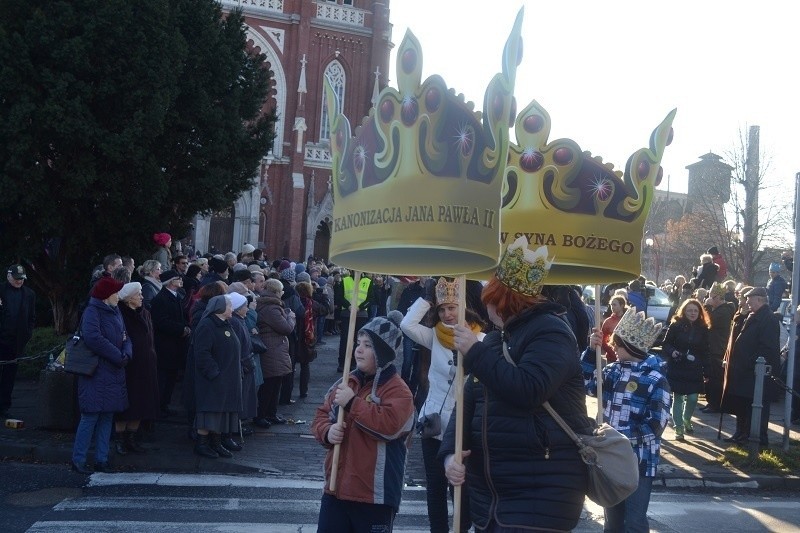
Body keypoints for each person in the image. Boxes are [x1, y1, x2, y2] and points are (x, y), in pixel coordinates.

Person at [441, 237, 594, 531]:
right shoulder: (499, 338)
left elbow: (529, 389)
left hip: (539, 495)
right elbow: (470, 399)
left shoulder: (552, 332)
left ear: (502, 302)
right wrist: (450, 453)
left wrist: (475, 352)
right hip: (494, 498)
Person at [311, 311, 415, 532]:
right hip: (336, 490)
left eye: (368, 345)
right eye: (359, 343)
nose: (359, 349)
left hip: (374, 495)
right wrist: (327, 432)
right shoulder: (348, 381)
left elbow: (389, 426)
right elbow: (322, 414)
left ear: (382, 353)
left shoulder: (399, 390)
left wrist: (352, 404)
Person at [400, 277, 485, 533]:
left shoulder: (480, 339)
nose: (447, 314)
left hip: (464, 425)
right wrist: (427, 299)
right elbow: (407, 324)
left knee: (462, 487)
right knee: (435, 485)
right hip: (435, 422)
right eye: (442, 309)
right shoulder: (434, 337)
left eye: (452, 308)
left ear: (463, 308)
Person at [582, 308, 671, 533]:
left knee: (634, 521)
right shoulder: (612, 372)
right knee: (612, 522)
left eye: (617, 345)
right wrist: (592, 352)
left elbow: (655, 426)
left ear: (630, 347)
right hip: (612, 459)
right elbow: (588, 385)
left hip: (639, 461)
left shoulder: (656, 379)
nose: (612, 347)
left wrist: (618, 439)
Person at [71, 277, 131, 474]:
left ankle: (102, 459)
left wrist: (127, 353)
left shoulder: (115, 310)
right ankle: (78, 460)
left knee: (107, 416)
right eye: (116, 292)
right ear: (106, 295)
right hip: (96, 371)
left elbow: (125, 336)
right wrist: (118, 355)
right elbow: (93, 338)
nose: (118, 295)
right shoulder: (92, 311)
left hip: (112, 370)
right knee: (90, 416)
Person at [721, 287, 781, 445]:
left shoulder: (768, 318)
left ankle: (755, 439)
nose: (747, 302)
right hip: (744, 371)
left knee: (755, 407)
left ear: (759, 299)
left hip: (755, 372)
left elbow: (767, 347)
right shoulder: (752, 316)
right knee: (743, 405)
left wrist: (750, 362)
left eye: (749, 299)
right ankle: (741, 433)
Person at [192, 294, 242, 458]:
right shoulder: (207, 325)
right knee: (209, 412)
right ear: (220, 308)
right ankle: (202, 444)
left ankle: (216, 443)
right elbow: (202, 354)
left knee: (221, 412)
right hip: (213, 379)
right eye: (229, 305)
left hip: (227, 378)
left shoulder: (225, 324)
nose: (232, 309)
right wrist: (214, 373)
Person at [114, 282, 160, 455]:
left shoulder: (145, 313)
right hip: (129, 366)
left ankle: (132, 438)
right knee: (126, 404)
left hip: (146, 365)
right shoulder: (120, 314)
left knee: (142, 403)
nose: (142, 297)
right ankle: (120, 439)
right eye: (138, 294)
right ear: (128, 299)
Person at [661, 298, 710, 440]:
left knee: (693, 397)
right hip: (677, 364)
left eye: (695, 310)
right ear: (684, 311)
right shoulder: (676, 325)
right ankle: (679, 428)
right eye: (689, 310)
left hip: (694, 367)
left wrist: (707, 370)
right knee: (678, 397)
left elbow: (706, 350)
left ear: (699, 312)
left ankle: (687, 418)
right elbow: (666, 344)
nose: (693, 313)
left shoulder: (703, 328)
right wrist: (673, 352)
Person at [254, 278, 296, 427]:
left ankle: (270, 413)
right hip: (272, 348)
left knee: (276, 382)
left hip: (275, 348)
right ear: (277, 292)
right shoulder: (271, 308)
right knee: (269, 385)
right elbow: (286, 328)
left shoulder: (269, 305)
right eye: (281, 291)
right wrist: (291, 318)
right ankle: (261, 415)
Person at [150, 270, 191, 417]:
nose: (180, 280)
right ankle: (159, 406)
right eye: (177, 279)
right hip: (165, 345)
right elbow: (161, 321)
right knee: (163, 378)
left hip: (176, 344)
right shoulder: (161, 299)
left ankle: (165, 404)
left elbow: (181, 317)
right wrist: (181, 329)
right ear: (170, 282)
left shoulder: (177, 297)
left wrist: (186, 326)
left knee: (171, 377)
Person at [0, 264, 36, 419]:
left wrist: (27, 333)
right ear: (8, 276)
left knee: (9, 376)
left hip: (15, 342)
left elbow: (31, 317)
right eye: (16, 278)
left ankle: (4, 406)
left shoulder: (29, 294)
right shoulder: (1, 290)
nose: (19, 281)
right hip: (1, 337)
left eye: (21, 279)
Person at [227, 291, 256, 449]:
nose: (248, 308)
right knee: (239, 399)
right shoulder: (236, 323)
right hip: (242, 365)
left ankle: (237, 426)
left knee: (244, 398)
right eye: (245, 306)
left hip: (246, 364)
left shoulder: (240, 321)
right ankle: (233, 429)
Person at [702, 282, 735, 413]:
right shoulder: (720, 310)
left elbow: (708, 322)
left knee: (716, 379)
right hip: (713, 348)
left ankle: (715, 404)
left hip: (717, 350)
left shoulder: (724, 311)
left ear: (717, 297)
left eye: (711, 296)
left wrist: (707, 306)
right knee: (710, 378)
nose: (709, 298)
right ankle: (711, 402)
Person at [295, 281, 328, 400]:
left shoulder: (294, 302)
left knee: (291, 366)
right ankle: (303, 391)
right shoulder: (312, 304)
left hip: (294, 336)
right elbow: (326, 310)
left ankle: (286, 394)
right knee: (305, 365)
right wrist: (323, 295)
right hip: (307, 336)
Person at [335, 270, 373, 373]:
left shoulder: (368, 281)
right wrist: (349, 306)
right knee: (345, 340)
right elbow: (339, 297)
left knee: (358, 340)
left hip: (361, 315)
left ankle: (354, 363)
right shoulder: (345, 280)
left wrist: (360, 307)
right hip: (347, 314)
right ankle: (342, 363)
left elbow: (371, 298)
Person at [600, 295, 627, 363]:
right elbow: (603, 340)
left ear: (622, 305)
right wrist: (611, 351)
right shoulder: (608, 321)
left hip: (627, 358)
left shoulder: (628, 320)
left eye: (614, 305)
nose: (612, 307)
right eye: (611, 305)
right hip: (611, 358)